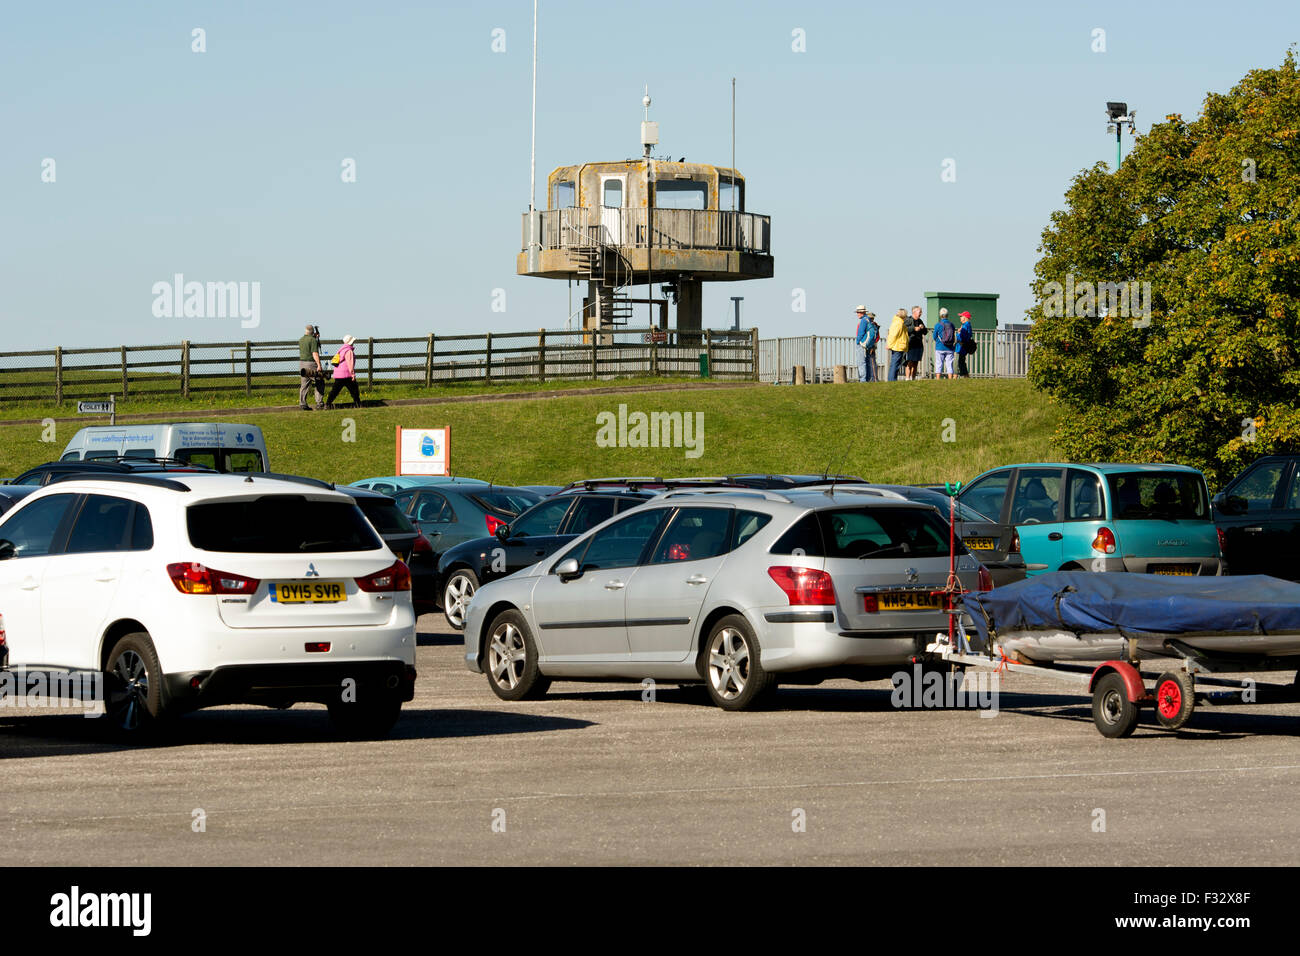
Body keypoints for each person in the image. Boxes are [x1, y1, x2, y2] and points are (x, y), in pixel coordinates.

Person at [325, 334, 360, 409]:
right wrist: (353, 375)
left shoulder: (341, 350)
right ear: (351, 342)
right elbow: (350, 364)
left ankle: (327, 404)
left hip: (338, 375)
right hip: (347, 374)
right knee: (354, 390)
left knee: (334, 391)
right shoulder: (349, 351)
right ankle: (358, 404)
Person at [297, 324, 324, 410]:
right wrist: (319, 365)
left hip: (302, 364)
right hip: (311, 364)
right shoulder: (313, 340)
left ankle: (302, 404)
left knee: (304, 384)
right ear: (313, 332)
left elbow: (307, 347)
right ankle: (319, 403)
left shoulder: (301, 340)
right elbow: (314, 353)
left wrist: (314, 337)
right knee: (319, 381)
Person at [854, 306, 879, 382]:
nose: (857, 314)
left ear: (861, 312)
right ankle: (868, 379)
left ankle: (862, 380)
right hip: (868, 344)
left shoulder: (863, 321)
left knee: (861, 362)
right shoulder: (868, 320)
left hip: (862, 344)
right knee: (867, 362)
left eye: (858, 312)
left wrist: (858, 342)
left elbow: (860, 333)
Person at [932, 307, 957, 379]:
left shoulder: (938, 325)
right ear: (947, 315)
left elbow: (934, 336)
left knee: (939, 363)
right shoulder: (952, 325)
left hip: (940, 347)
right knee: (949, 364)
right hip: (950, 348)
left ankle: (938, 379)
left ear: (940, 315)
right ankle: (950, 378)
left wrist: (939, 341)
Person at [904, 305, 927, 380]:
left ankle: (913, 378)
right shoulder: (908, 319)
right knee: (909, 361)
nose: (921, 313)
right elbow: (904, 329)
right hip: (911, 343)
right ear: (914, 312)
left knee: (916, 362)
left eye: (921, 312)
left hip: (918, 344)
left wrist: (923, 328)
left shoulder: (920, 321)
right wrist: (914, 328)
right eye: (919, 312)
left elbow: (925, 332)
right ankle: (907, 378)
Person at [886, 308, 908, 381]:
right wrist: (889, 345)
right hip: (898, 346)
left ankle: (892, 379)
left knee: (896, 364)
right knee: (895, 364)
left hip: (898, 346)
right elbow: (893, 335)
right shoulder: (899, 323)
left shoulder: (897, 322)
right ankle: (892, 380)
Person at [956, 311, 976, 378]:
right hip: (965, 346)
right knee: (961, 361)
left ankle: (965, 376)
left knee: (960, 362)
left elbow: (962, 337)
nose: (960, 318)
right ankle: (965, 375)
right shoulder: (968, 325)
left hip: (962, 346)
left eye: (961, 316)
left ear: (965, 318)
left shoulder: (965, 326)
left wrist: (958, 333)